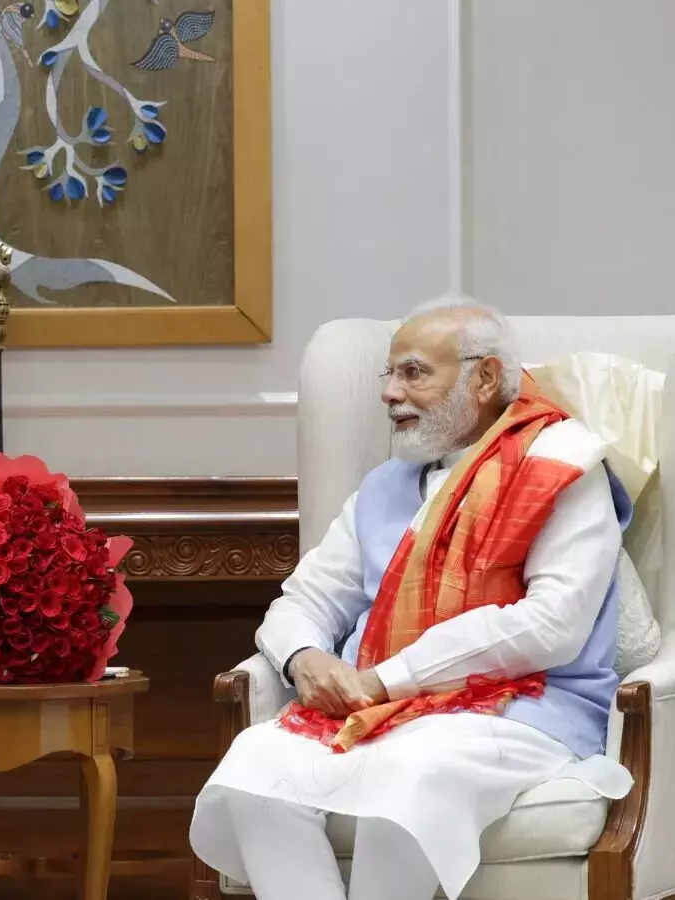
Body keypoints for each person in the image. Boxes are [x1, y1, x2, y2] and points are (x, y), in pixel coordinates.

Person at [188, 298, 635, 900]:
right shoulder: (385, 487)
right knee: (254, 771)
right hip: (380, 707)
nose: (389, 392)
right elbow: (304, 598)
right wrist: (303, 658)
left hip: (524, 706)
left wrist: (387, 680)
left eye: (414, 372)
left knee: (402, 782)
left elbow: (552, 625)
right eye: (390, 373)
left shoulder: (562, 466)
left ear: (484, 378)